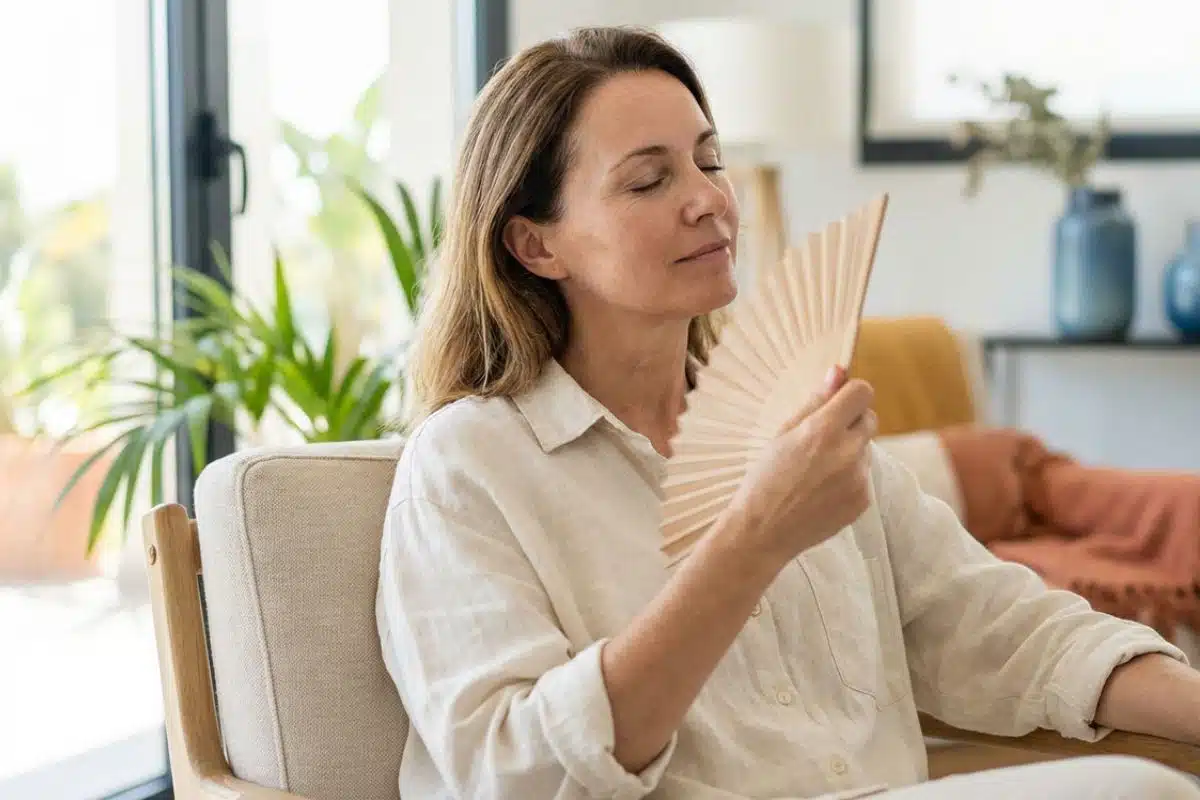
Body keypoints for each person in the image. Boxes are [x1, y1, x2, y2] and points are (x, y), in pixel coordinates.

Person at [375, 25, 1200, 799]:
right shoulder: (468, 465)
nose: (707, 200)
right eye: (649, 179)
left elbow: (1002, 627)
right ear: (535, 245)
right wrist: (757, 536)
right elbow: (511, 772)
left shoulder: (798, 427)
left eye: (709, 161)